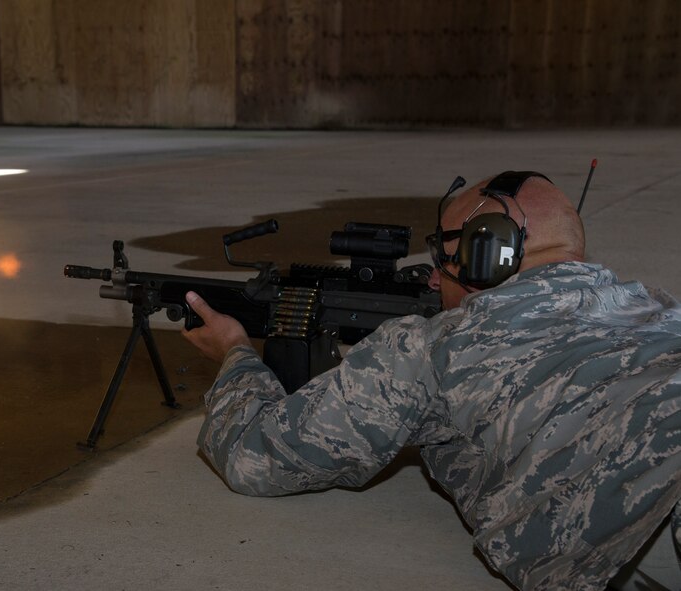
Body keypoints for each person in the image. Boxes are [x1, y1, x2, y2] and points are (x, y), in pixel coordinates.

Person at [181, 171, 680, 591]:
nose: (434, 279)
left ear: (491, 254)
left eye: (444, 258)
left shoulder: (430, 347)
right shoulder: (659, 307)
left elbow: (257, 456)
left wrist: (235, 355)